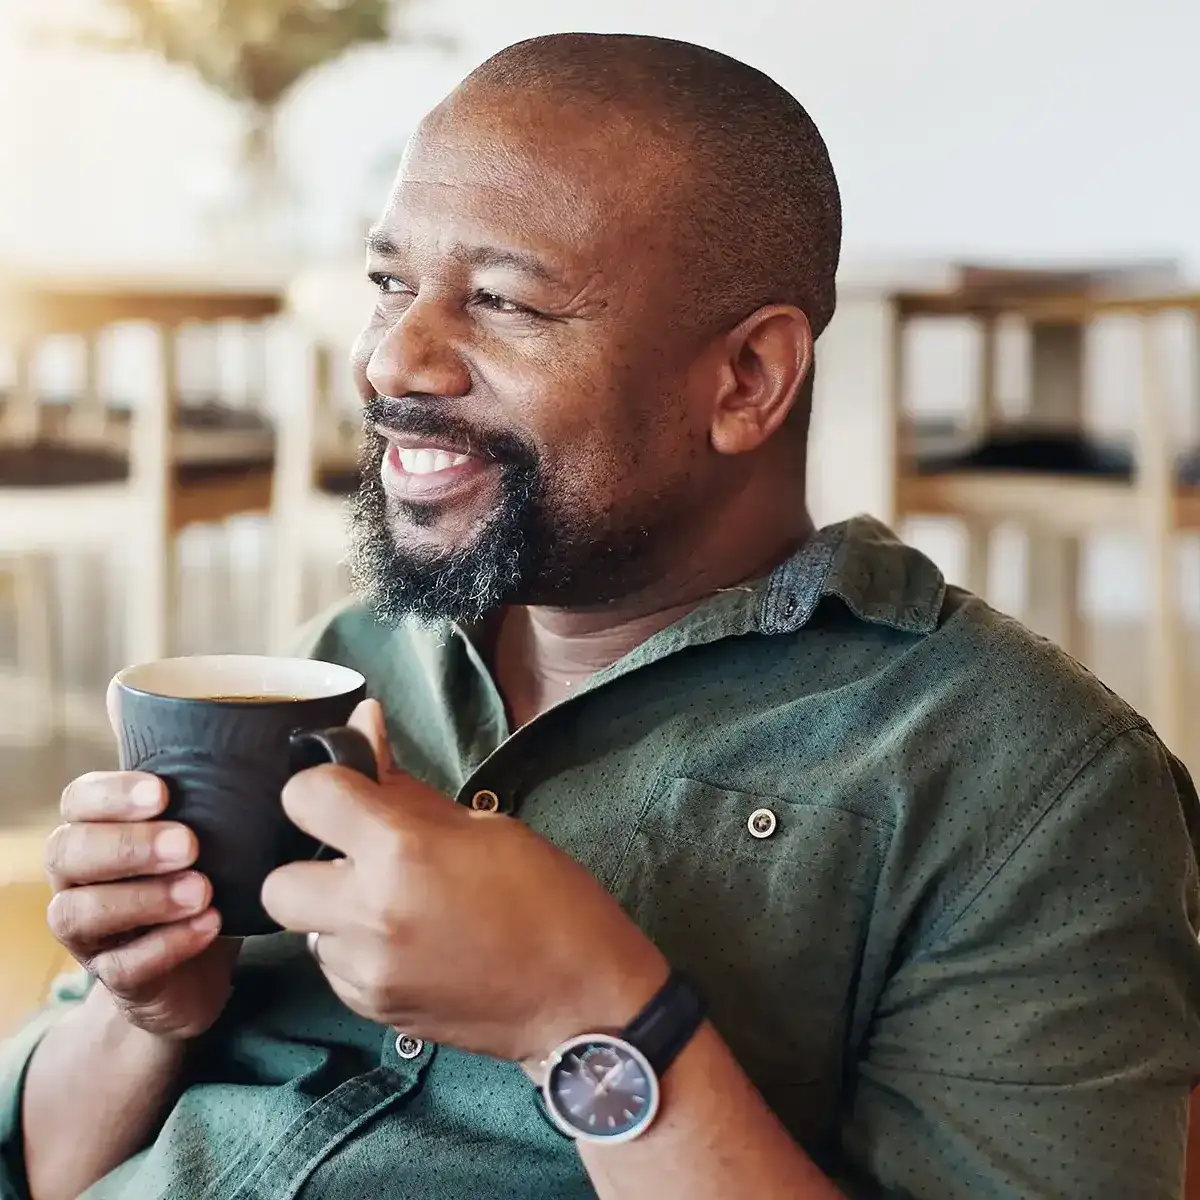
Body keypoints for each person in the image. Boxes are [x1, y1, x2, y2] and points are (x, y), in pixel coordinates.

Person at [4, 30, 1200, 1200]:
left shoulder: (1029, 787)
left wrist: (591, 1022)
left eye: (504, 303)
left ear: (746, 380)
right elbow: (49, 1169)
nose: (392, 362)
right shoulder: (347, 668)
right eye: (390, 284)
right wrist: (144, 1011)